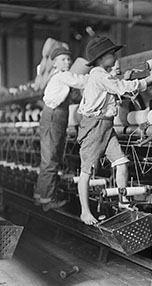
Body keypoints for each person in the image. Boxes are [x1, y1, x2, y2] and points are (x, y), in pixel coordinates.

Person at [77, 35, 152, 225]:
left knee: (121, 162)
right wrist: (150, 79)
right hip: (95, 126)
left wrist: (124, 79)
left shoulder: (102, 75)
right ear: (100, 58)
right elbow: (121, 87)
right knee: (87, 171)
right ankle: (84, 211)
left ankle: (123, 202)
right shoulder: (99, 74)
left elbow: (116, 88)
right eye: (111, 53)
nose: (115, 56)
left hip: (106, 125)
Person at [34, 47, 88, 212]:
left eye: (68, 59)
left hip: (53, 117)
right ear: (55, 62)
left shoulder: (58, 77)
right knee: (51, 159)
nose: (67, 62)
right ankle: (48, 200)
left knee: (49, 159)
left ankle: (41, 195)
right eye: (63, 59)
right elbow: (81, 81)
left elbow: (75, 94)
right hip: (54, 117)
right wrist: (100, 76)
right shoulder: (62, 75)